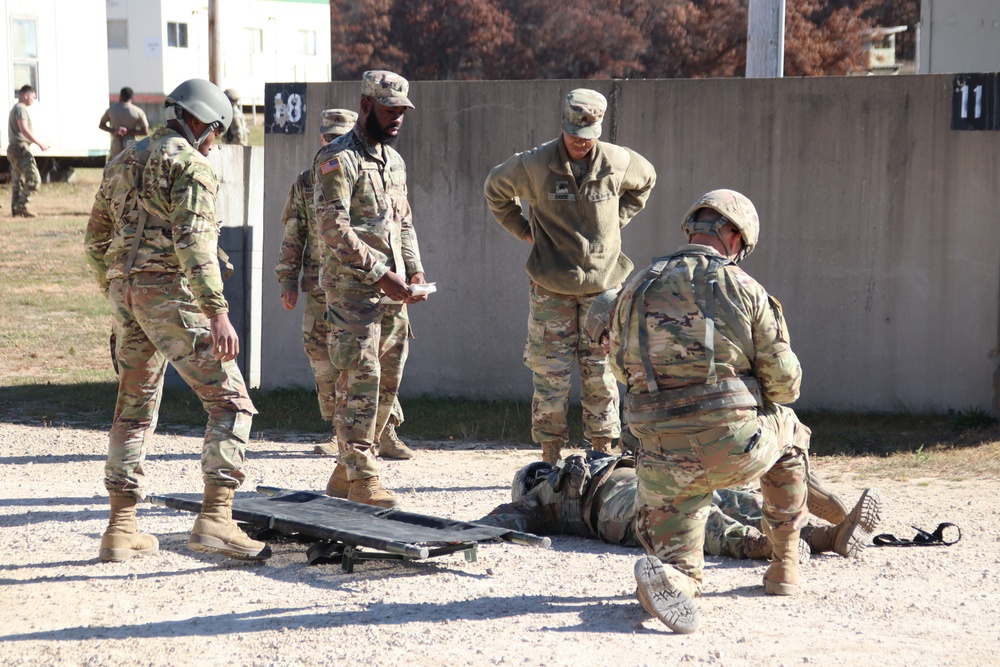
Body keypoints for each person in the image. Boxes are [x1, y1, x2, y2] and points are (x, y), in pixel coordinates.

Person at [606, 189, 835, 633]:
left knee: (679, 564)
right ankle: (783, 565)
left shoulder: (635, 285)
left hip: (658, 459)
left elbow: (619, 366)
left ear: (693, 226)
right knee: (791, 430)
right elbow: (785, 386)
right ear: (734, 235)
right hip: (732, 448)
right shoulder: (745, 288)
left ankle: (675, 579)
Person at [84, 78, 269, 563]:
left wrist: (117, 288)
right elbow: (194, 245)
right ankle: (216, 518)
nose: (216, 144)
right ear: (205, 125)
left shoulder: (122, 161)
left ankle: (121, 529)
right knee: (231, 402)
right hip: (170, 296)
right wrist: (217, 313)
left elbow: (94, 240)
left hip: (126, 294)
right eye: (218, 135)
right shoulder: (192, 166)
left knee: (134, 406)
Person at [483, 89, 656, 466]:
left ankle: (601, 450)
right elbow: (495, 189)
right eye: (574, 134)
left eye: (588, 136)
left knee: (601, 370)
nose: (580, 143)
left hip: (603, 288)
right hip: (551, 286)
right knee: (550, 373)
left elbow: (646, 181)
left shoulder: (618, 161)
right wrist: (523, 230)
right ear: (563, 125)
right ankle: (549, 455)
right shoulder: (535, 164)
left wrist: (616, 222)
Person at [313, 70, 428, 508]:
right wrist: (382, 273)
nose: (397, 118)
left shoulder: (394, 162)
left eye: (402, 111)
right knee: (360, 383)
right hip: (353, 294)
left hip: (394, 295)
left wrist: (414, 272)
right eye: (389, 110)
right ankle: (363, 478)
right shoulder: (336, 160)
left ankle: (346, 472)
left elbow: (404, 223)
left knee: (387, 387)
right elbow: (333, 229)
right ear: (366, 106)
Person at [274, 108, 414, 459]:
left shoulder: (382, 165)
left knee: (375, 361)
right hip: (326, 284)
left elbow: (401, 223)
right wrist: (287, 279)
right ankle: (345, 440)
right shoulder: (310, 179)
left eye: (338, 133)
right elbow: (296, 234)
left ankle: (382, 433)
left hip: (374, 282)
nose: (331, 140)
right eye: (326, 135)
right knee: (329, 361)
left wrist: (412, 268)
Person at [479, 453, 882, 563]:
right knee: (699, 520)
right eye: (539, 472)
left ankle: (828, 535)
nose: (546, 471)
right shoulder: (537, 501)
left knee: (732, 498)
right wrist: (447, 530)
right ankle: (766, 546)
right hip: (611, 509)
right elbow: (498, 520)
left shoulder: (582, 463)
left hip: (649, 479)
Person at [6, 84, 48, 218]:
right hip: (20, 148)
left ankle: (16, 209)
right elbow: (24, 130)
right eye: (33, 96)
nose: (34, 99)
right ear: (26, 95)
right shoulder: (20, 109)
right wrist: (40, 143)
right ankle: (22, 206)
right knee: (34, 180)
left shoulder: (16, 108)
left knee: (18, 180)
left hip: (14, 148)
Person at [98, 86, 150, 160]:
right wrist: (128, 132)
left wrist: (114, 131)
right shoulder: (138, 111)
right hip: (130, 143)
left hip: (116, 143)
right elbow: (145, 131)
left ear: (120, 96)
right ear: (132, 97)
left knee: (114, 165)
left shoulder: (111, 109)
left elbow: (101, 125)